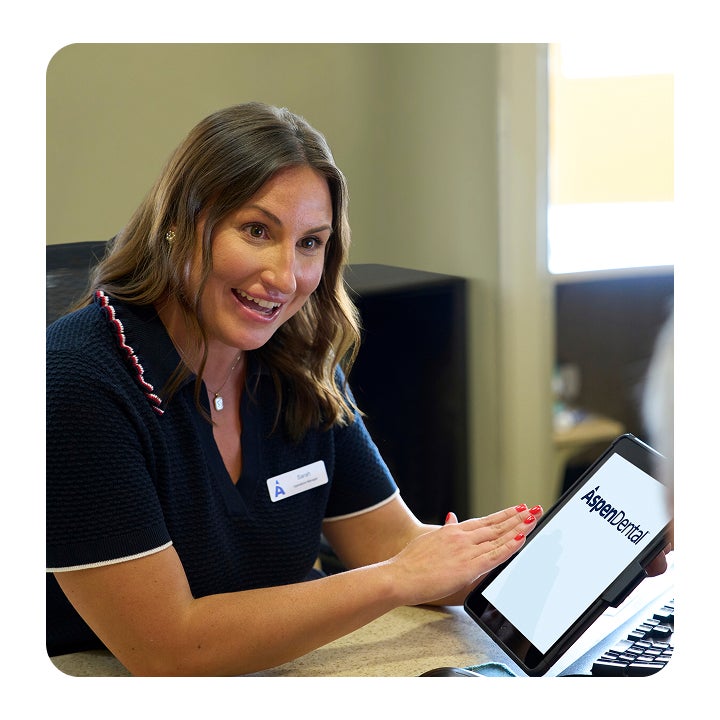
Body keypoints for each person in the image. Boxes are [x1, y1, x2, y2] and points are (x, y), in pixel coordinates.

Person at [46, 102, 545, 676]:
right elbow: (170, 649)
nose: (286, 278)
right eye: (256, 231)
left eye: (311, 242)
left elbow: (396, 547)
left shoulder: (296, 360)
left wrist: (575, 563)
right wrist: (396, 579)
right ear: (179, 224)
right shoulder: (77, 383)